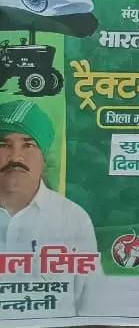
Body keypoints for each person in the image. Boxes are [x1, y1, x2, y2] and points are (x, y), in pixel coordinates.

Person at [0, 100, 98, 312]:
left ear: (44, 157)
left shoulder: (72, 218)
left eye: (28, 145)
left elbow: (91, 303)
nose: (15, 157)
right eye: (4, 145)